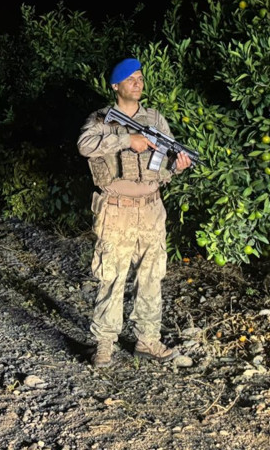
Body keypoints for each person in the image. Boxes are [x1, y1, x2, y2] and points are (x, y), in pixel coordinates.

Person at [77, 58, 192, 367]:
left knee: (152, 276)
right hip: (116, 210)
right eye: (131, 79)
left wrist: (177, 167)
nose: (138, 83)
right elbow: (85, 145)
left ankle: (147, 340)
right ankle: (105, 343)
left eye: (140, 78)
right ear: (116, 86)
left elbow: (168, 159)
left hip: (152, 209)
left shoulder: (156, 119)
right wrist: (129, 140)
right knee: (111, 277)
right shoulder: (101, 119)